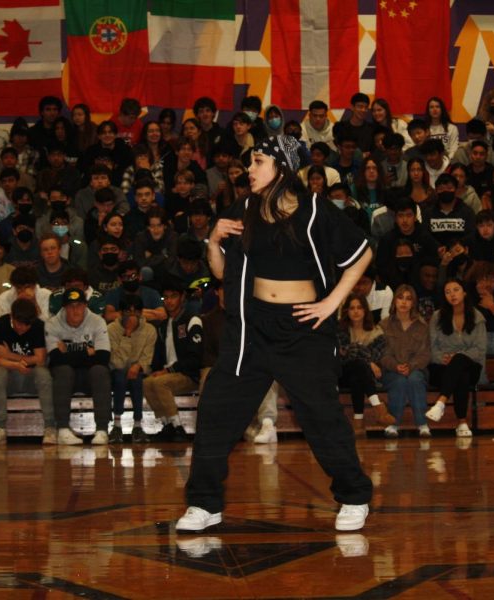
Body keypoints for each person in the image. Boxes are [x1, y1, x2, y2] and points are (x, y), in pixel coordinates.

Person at [177, 135, 374, 534]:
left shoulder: (317, 210)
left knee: (321, 417)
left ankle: (354, 496)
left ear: (282, 168)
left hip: (303, 329)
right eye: (250, 162)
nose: (248, 169)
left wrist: (332, 303)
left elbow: (362, 253)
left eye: (259, 161)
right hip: (250, 329)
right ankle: (204, 504)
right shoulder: (244, 208)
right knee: (215, 411)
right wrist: (213, 240)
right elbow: (220, 272)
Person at [45, 287, 112, 445]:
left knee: (100, 370)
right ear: (64, 307)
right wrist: (88, 353)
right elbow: (55, 358)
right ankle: (62, 429)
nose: (75, 310)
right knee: (63, 370)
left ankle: (102, 430)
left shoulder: (97, 321)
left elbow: (103, 357)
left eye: (79, 305)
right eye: (71, 306)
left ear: (86, 306)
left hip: (90, 376)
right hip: (65, 377)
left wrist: (67, 353)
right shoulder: (52, 323)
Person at [425, 279, 487, 438]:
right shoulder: (437, 317)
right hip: (442, 366)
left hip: (471, 365)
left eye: (456, 290)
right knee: (461, 376)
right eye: (448, 292)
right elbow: (431, 348)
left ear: (464, 292)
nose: (452, 294)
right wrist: (443, 358)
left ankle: (441, 402)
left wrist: (458, 357)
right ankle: (462, 422)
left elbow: (480, 350)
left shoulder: (477, 316)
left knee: (461, 364)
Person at [143, 277, 202, 442]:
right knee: (147, 382)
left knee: (160, 382)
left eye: (173, 296)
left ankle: (178, 427)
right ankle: (167, 424)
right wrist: (148, 369)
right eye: (165, 297)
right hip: (169, 372)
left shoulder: (192, 320)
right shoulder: (163, 325)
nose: (169, 301)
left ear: (182, 297)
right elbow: (158, 358)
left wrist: (169, 370)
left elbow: (195, 357)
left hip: (189, 374)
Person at [0, 298, 53, 445]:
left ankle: (49, 427)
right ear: (12, 316)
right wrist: (17, 365)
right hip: (9, 377)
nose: (23, 328)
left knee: (43, 373)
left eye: (27, 325)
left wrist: (10, 355)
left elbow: (40, 360)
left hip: (30, 378)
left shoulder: (38, 326)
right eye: (19, 324)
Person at [337, 294, 395, 437]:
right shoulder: (340, 329)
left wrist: (363, 357)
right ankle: (378, 407)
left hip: (364, 376)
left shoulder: (377, 333)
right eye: (352, 308)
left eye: (359, 308)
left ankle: (358, 421)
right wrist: (369, 362)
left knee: (359, 371)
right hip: (341, 373)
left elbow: (375, 356)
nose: (356, 311)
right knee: (359, 365)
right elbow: (345, 355)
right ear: (347, 311)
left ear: (365, 311)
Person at [377, 285, 430, 439]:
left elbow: (425, 354)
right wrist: (395, 366)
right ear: (394, 301)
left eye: (408, 298)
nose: (404, 302)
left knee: (415, 379)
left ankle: (422, 424)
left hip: (416, 370)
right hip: (390, 371)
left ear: (413, 303)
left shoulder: (422, 326)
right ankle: (393, 423)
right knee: (399, 381)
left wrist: (411, 366)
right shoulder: (384, 325)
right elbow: (382, 354)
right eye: (400, 298)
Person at [108, 294, 157, 444]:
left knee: (136, 380)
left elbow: (147, 357)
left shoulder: (150, 330)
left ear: (141, 313)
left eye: (136, 312)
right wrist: (127, 334)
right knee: (120, 376)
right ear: (121, 313)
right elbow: (117, 362)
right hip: (117, 370)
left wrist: (138, 366)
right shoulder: (112, 329)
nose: (132, 316)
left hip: (139, 370)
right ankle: (116, 426)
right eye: (128, 312)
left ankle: (137, 426)